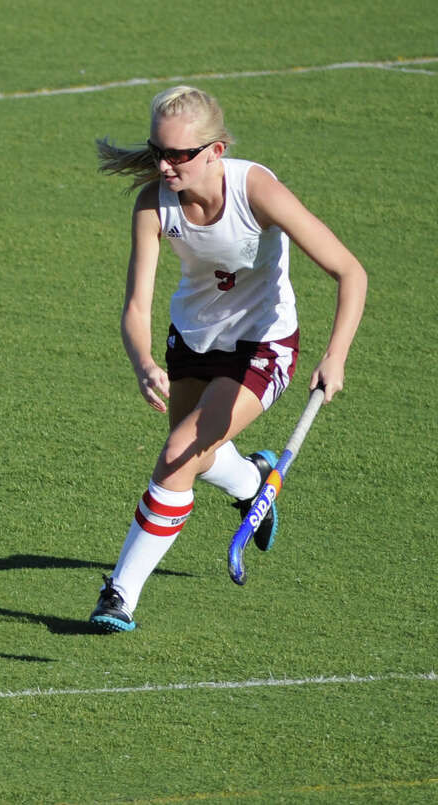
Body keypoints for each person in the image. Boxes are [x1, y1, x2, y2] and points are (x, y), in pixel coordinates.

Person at [89, 86, 366, 632]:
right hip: (192, 339)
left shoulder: (255, 190)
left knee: (177, 455)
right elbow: (136, 306)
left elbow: (349, 271)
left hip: (262, 345)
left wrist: (336, 355)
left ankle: (120, 593)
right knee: (198, 455)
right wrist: (143, 361)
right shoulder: (153, 203)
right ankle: (253, 481)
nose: (164, 166)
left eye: (178, 155)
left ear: (215, 150)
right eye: (158, 152)